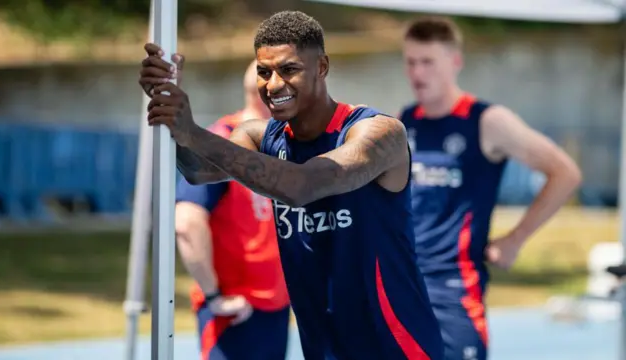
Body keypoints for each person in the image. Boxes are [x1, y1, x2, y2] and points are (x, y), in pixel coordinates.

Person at [140, 10, 444, 360]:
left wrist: (192, 130)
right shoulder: (260, 136)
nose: (273, 85)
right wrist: (168, 107)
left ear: (322, 67)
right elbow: (197, 169)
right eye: (264, 72)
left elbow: (303, 185)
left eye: (289, 70)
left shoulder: (379, 133)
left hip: (398, 349)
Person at [398, 16, 582, 360]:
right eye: (410, 62)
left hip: (454, 291)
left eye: (427, 62)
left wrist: (515, 239)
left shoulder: (486, 120)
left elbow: (565, 173)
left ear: (455, 62)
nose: (417, 73)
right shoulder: (404, 121)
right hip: (402, 286)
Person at [175, 60, 290, 360]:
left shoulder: (282, 144)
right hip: (236, 312)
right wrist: (214, 295)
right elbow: (187, 222)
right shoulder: (224, 141)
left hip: (274, 307)